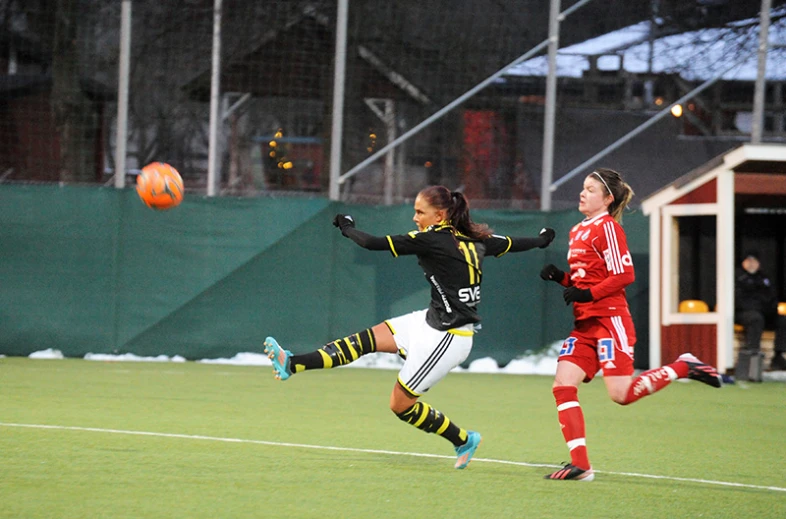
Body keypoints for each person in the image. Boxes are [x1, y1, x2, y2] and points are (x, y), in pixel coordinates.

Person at [264, 185, 556, 470]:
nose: (415, 218)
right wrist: (542, 239)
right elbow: (514, 243)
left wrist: (346, 226)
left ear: (440, 215)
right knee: (365, 340)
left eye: (420, 212)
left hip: (449, 337)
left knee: (399, 405)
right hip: (429, 320)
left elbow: (371, 243)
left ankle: (464, 439)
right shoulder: (476, 239)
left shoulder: (431, 239)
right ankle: (292, 363)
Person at [539, 168, 722, 482]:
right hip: (585, 324)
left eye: (590, 189)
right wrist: (562, 279)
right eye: (583, 187)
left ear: (607, 199)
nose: (582, 193)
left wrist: (586, 292)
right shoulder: (577, 230)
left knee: (621, 394)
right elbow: (586, 282)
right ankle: (580, 465)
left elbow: (624, 276)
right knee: (562, 385)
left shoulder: (608, 228)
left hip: (611, 322)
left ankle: (682, 366)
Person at [735, 252, 786, 370]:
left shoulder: (764, 279)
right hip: (744, 313)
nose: (752, 264)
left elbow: (773, 298)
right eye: (749, 261)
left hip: (765, 313)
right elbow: (739, 301)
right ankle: (753, 355)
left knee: (782, 320)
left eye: (754, 261)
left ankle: (778, 356)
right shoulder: (738, 278)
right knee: (755, 318)